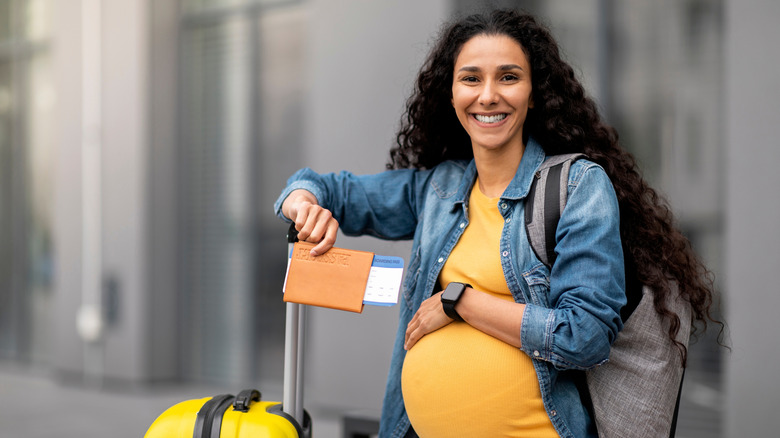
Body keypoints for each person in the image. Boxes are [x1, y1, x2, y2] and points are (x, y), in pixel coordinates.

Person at [274, 9, 721, 438]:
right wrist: (302, 201)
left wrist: (460, 302)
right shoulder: (439, 188)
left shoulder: (577, 187)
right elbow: (323, 187)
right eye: (471, 78)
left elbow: (583, 336)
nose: (488, 95)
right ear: (450, 94)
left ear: (533, 91)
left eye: (508, 77)